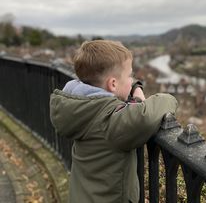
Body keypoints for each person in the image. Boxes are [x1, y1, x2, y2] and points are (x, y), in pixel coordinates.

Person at [50, 40, 178, 203]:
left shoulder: (81, 107)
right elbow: (146, 116)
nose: (131, 80)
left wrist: (133, 89)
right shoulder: (109, 119)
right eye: (129, 76)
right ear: (113, 84)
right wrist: (165, 98)